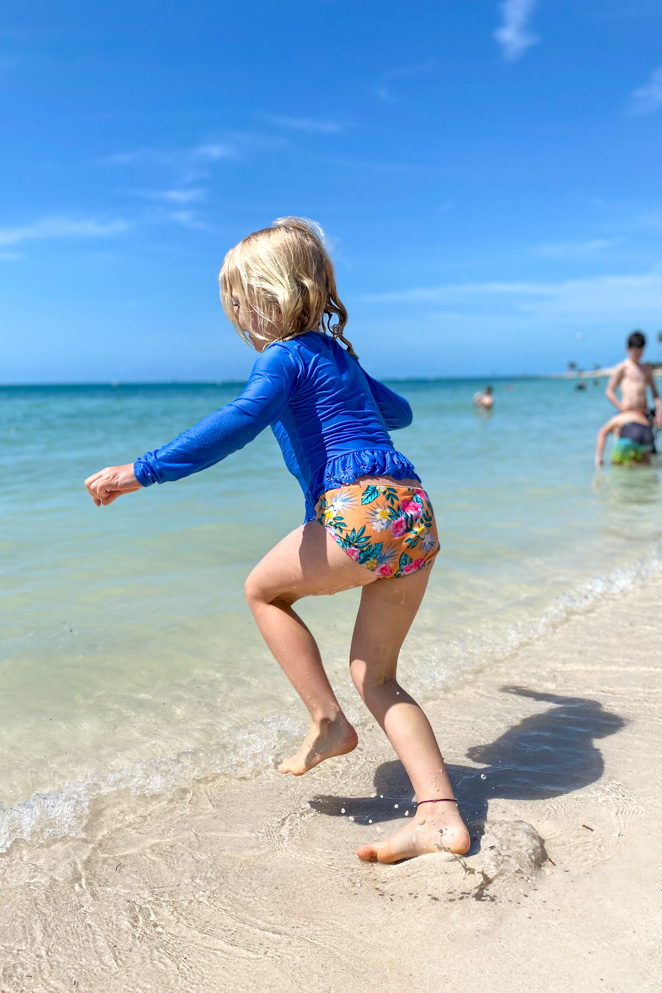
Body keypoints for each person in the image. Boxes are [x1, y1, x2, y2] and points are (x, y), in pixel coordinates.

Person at [84, 217, 471, 864]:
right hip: (413, 514)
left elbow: (238, 422)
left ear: (268, 297)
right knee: (376, 676)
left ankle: (327, 720)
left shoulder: (284, 358)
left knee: (262, 591)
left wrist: (140, 471)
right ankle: (439, 814)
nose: (235, 314)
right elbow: (398, 413)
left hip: (357, 512)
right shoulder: (337, 356)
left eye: (238, 301)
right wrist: (351, 391)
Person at [606, 331, 662, 427]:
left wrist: (659, 412)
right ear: (628, 349)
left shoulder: (647, 369)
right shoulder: (622, 368)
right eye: (635, 351)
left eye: (640, 351)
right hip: (627, 411)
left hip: (643, 412)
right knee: (603, 432)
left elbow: (655, 394)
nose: (637, 354)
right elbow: (609, 391)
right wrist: (620, 407)